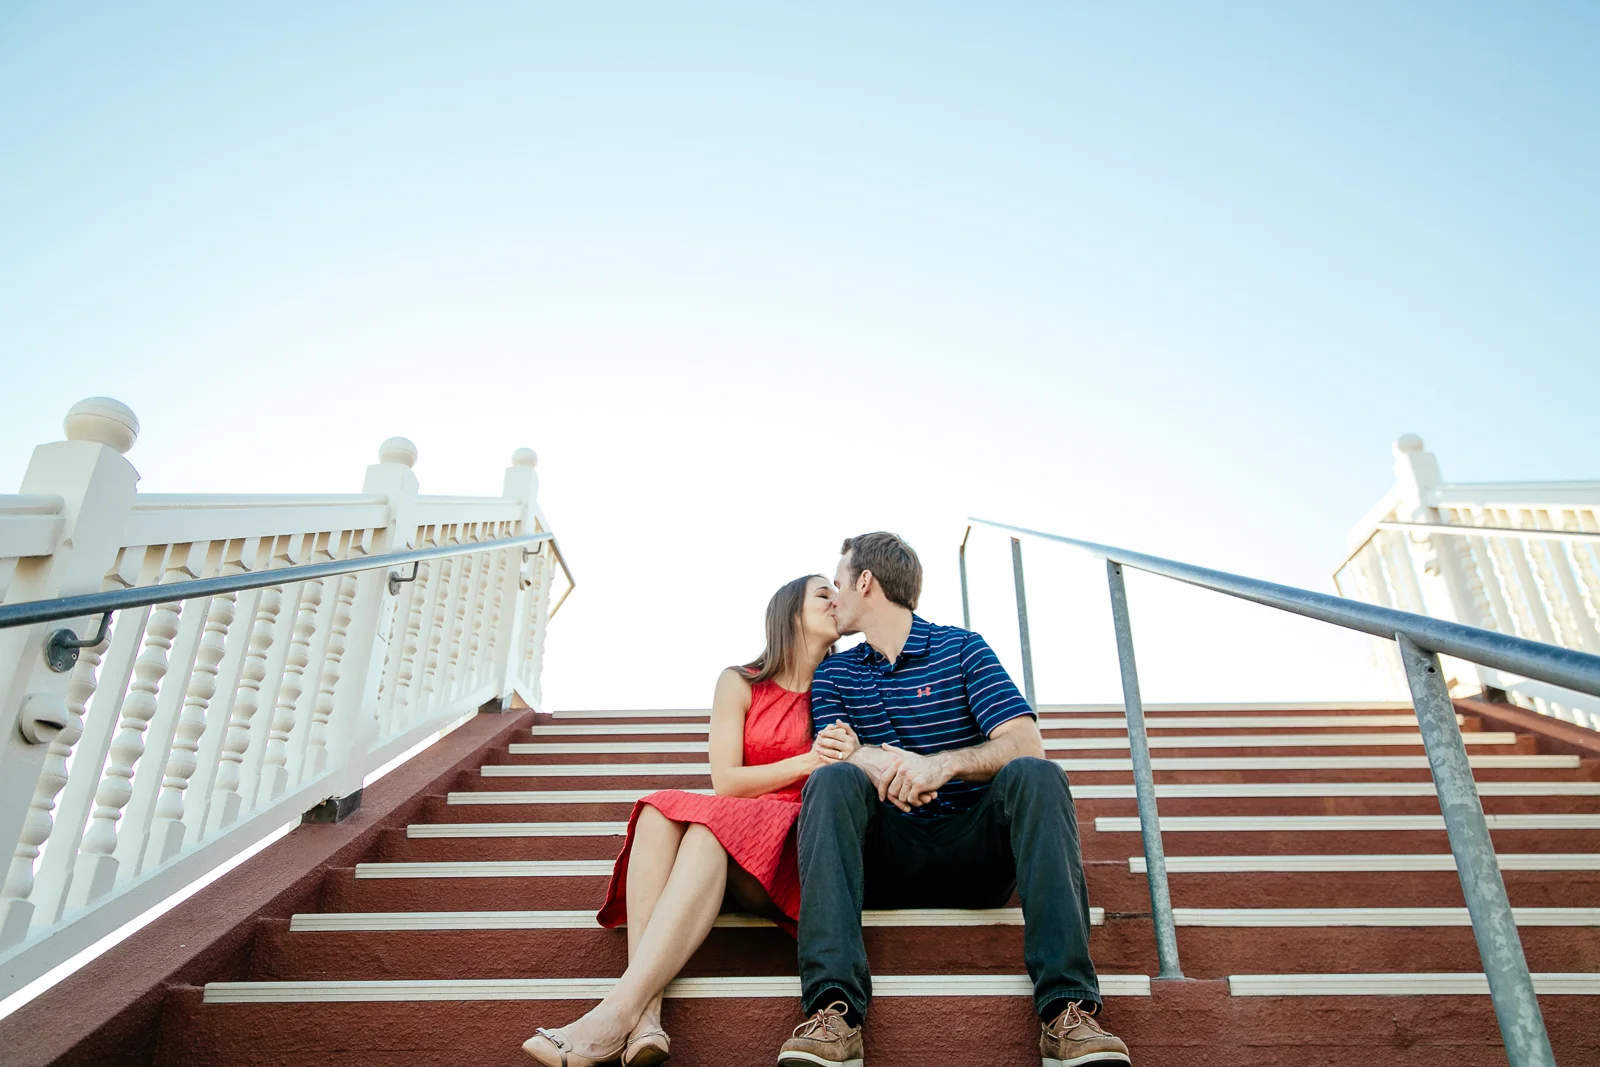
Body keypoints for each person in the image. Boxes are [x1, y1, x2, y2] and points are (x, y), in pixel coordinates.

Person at [776, 532, 1130, 1067]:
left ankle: (1067, 1012)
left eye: (840, 583)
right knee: (829, 782)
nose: (836, 598)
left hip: (974, 851)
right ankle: (834, 1013)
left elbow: (1023, 741)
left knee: (1037, 774)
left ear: (865, 582)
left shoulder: (963, 649)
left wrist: (939, 765)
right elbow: (835, 754)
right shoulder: (834, 673)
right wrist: (874, 758)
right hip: (886, 858)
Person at [523, 574, 857, 1067]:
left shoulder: (846, 683)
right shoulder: (741, 682)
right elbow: (726, 781)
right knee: (660, 810)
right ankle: (646, 1018)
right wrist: (808, 761)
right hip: (741, 824)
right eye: (823, 594)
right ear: (790, 612)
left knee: (706, 828)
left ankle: (614, 1015)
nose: (837, 600)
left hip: (797, 846)